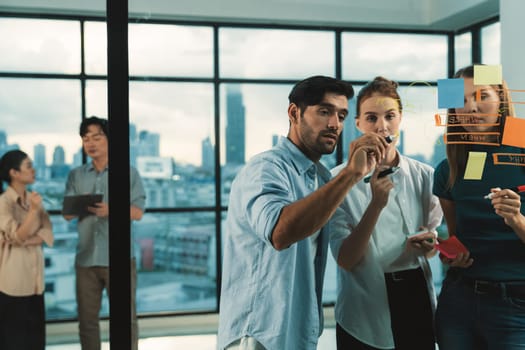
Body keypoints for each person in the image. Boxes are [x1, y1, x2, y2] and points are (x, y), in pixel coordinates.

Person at [217, 75, 389, 350]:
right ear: (294, 113)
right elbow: (280, 233)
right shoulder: (265, 169)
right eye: (324, 111)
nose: (335, 124)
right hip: (259, 336)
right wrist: (350, 174)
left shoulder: (319, 177)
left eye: (342, 115)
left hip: (297, 333)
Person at [329, 76, 443, 349]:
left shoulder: (425, 176)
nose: (382, 126)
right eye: (371, 118)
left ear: (400, 119)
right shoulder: (336, 182)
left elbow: (431, 246)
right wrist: (376, 204)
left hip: (416, 294)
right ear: (358, 124)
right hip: (363, 303)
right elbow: (345, 259)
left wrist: (430, 244)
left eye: (390, 116)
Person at [433, 65, 525, 349]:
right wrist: (449, 255)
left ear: (500, 99)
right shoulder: (450, 167)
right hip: (458, 302)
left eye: (482, 95)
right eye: (460, 100)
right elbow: (457, 236)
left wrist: (517, 220)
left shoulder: (521, 149)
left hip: (515, 304)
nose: (471, 107)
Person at [63, 116, 146, 350]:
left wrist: (112, 209)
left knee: (125, 319)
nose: (91, 143)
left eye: (97, 137)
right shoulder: (76, 175)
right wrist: (82, 205)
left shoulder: (128, 173)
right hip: (86, 257)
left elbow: (138, 212)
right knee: (87, 322)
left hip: (119, 258)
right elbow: (68, 214)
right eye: (85, 138)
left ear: (109, 140)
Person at [0, 150, 54, 350]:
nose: (34, 169)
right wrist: (32, 213)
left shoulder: (34, 199)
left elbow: (48, 234)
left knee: (36, 342)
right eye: (28, 166)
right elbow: (17, 235)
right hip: (14, 284)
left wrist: (24, 240)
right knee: (14, 342)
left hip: (35, 283)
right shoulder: (3, 203)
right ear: (14, 173)